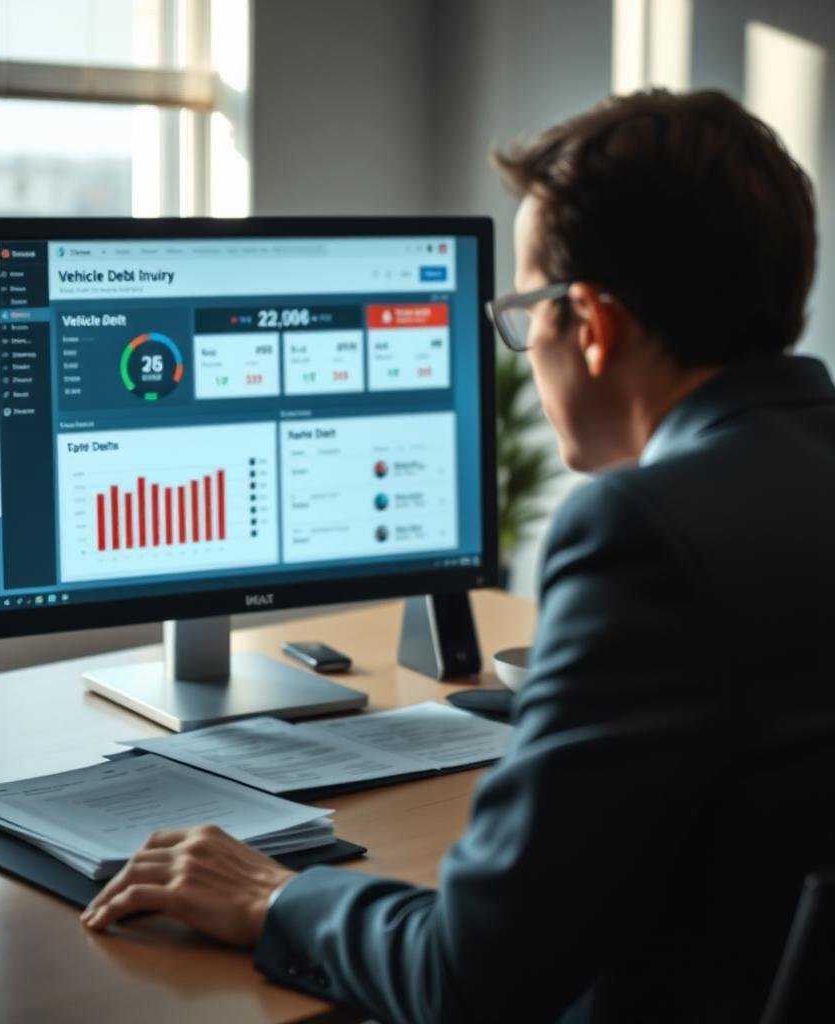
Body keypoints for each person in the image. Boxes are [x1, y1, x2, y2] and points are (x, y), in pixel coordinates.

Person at [81, 89, 835, 1023]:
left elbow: (472, 978)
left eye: (523, 312)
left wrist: (275, 896)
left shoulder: (642, 534)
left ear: (591, 324)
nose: (520, 345)